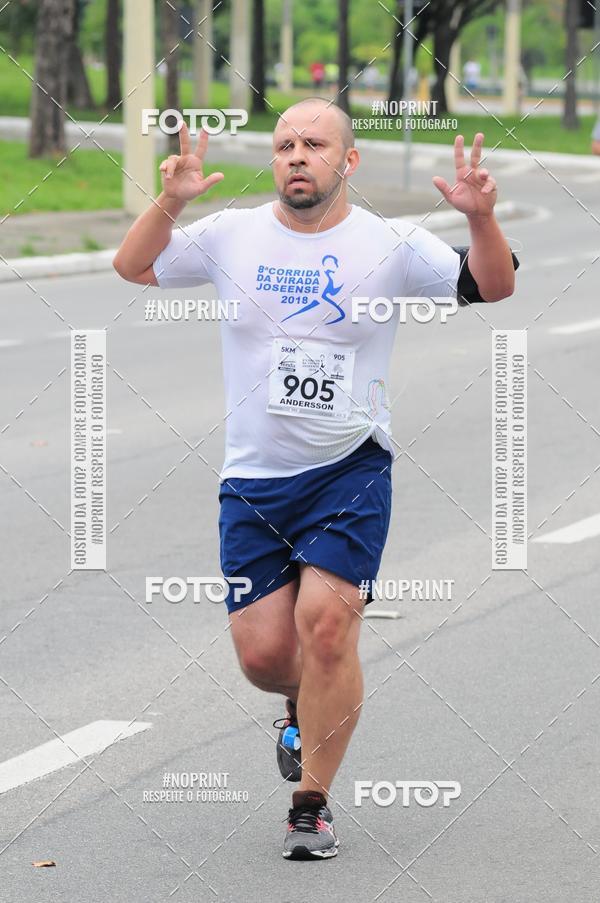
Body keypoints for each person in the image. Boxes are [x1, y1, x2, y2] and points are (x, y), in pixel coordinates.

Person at [113, 97, 516, 860]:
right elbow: (133, 265)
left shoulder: (391, 242)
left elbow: (491, 287)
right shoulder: (232, 234)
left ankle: (311, 803)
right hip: (254, 481)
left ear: (347, 162)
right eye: (285, 144)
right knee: (266, 656)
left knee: (328, 627)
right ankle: (299, 699)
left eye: (314, 144)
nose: (297, 155)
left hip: (350, 467)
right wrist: (171, 199)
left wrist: (481, 220)